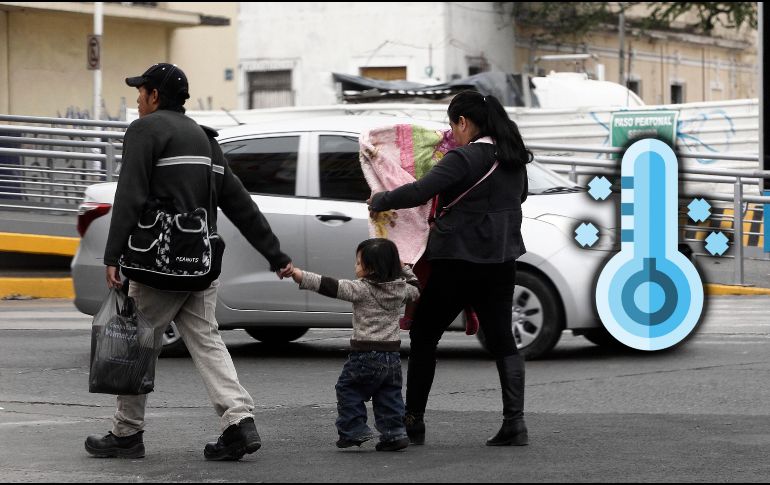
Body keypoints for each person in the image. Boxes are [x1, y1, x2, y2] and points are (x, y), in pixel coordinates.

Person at [84, 63, 294, 461]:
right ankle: (239, 421)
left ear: (155, 96)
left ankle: (127, 434)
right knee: (208, 340)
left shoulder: (145, 131)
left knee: (137, 343)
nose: (137, 99)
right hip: (200, 264)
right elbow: (239, 204)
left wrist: (113, 255)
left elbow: (129, 194)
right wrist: (275, 254)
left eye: (141, 91)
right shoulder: (206, 140)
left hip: (158, 266)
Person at [368, 90, 532, 447]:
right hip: (501, 261)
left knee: (425, 334)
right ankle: (514, 423)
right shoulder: (514, 158)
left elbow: (420, 191)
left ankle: (413, 420)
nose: (452, 133)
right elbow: (520, 199)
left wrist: (380, 200)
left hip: (457, 261)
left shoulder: (464, 157)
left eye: (453, 125)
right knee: (503, 339)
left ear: (464, 122)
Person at [291, 238, 420, 452]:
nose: (355, 267)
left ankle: (354, 430)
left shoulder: (361, 289)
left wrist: (300, 275)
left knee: (348, 388)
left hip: (365, 354)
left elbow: (330, 286)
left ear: (370, 269)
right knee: (388, 395)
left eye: (359, 263)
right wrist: (404, 269)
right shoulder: (401, 291)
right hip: (392, 357)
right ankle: (394, 434)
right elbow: (416, 287)